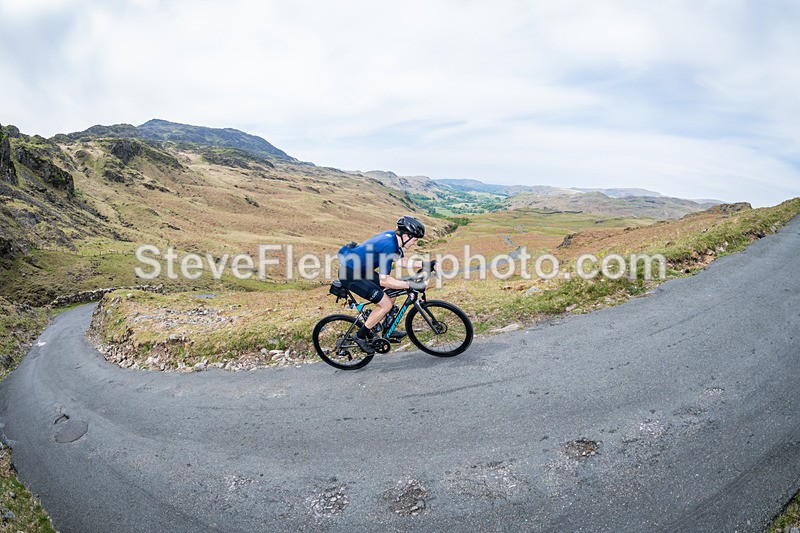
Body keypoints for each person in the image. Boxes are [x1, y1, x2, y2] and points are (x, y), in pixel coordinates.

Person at [338, 216, 437, 354]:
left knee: (392, 292)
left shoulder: (394, 238)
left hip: (361, 271)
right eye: (415, 240)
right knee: (385, 304)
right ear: (406, 236)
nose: (415, 243)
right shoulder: (389, 245)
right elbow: (384, 281)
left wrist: (425, 264)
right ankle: (359, 336)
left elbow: (402, 262)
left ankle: (387, 329)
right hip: (350, 275)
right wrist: (409, 285)